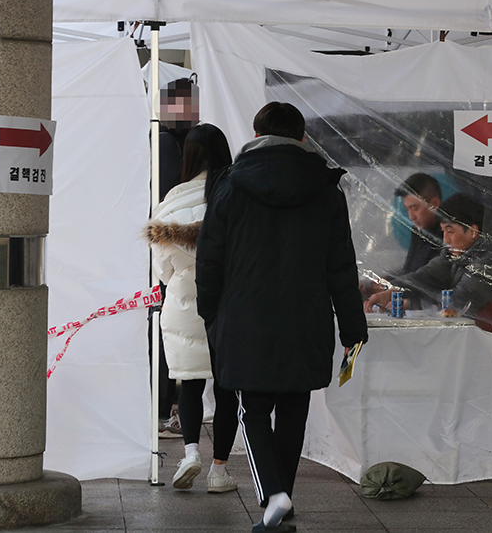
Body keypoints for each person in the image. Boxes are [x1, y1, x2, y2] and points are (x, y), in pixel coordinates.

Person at [196, 102, 368, 532]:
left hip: (243, 316)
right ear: (301, 136)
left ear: (257, 133)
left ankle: (273, 494)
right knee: (294, 407)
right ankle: (283, 500)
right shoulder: (327, 189)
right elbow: (341, 267)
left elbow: (209, 258)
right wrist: (352, 327)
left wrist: (210, 314)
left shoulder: (231, 186)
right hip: (305, 317)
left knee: (252, 407)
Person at [145, 123, 240, 493]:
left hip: (184, 300)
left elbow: (163, 269)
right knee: (229, 387)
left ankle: (189, 454)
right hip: (230, 300)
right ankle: (219, 470)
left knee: (189, 383)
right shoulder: (233, 194)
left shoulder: (171, 203)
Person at [364, 193, 492, 316]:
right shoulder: (456, 256)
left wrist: (409, 303)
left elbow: (457, 302)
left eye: (450, 231)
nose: (445, 239)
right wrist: (391, 291)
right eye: (443, 232)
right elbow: (424, 277)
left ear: (473, 232)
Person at [155, 76, 201, 436]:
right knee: (173, 334)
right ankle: (163, 409)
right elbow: (171, 201)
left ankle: (167, 409)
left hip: (178, 252)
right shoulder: (169, 144)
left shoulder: (176, 141)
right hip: (178, 249)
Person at [360, 173, 443, 301]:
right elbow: (409, 270)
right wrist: (380, 282)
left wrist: (392, 287)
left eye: (414, 208)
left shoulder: (449, 235)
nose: (411, 217)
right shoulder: (418, 230)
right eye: (407, 209)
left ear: (434, 204)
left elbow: (428, 280)